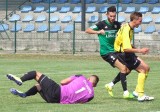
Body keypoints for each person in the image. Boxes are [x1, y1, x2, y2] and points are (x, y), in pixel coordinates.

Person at [85, 6, 134, 98]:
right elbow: (87, 30)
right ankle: (126, 92)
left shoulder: (117, 25)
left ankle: (110, 85)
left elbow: (123, 35)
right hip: (106, 53)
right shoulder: (101, 24)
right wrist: (98, 32)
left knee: (128, 69)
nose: (112, 18)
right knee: (123, 69)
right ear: (107, 14)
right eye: (110, 16)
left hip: (116, 51)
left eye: (114, 16)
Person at [114, 12, 154, 102]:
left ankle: (136, 92)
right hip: (123, 54)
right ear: (134, 20)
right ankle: (140, 95)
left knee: (147, 68)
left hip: (126, 53)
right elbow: (126, 48)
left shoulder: (129, 27)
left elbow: (124, 42)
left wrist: (134, 47)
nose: (141, 23)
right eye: (140, 21)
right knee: (142, 70)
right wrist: (140, 50)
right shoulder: (127, 29)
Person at [6, 71, 99, 104]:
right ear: (94, 85)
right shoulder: (91, 95)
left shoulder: (81, 77)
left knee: (36, 73)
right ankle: (24, 94)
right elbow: (80, 102)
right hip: (55, 101)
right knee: (39, 86)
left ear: (89, 78)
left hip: (58, 92)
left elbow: (62, 82)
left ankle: (20, 79)